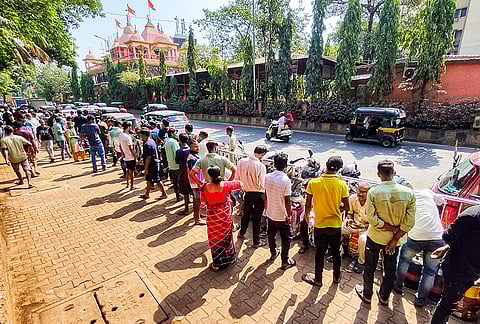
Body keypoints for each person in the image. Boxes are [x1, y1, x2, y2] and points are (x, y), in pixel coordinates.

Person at [355, 160, 416, 305]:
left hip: (376, 238)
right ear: (394, 173)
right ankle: (384, 296)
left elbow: (371, 218)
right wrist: (395, 237)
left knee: (369, 268)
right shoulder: (409, 193)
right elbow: (409, 222)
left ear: (378, 174)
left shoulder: (374, 192)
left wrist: (388, 227)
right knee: (390, 269)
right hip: (394, 242)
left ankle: (367, 295)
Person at [394, 187, 445, 308]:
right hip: (436, 237)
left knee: (404, 261)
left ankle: (397, 286)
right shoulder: (426, 192)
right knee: (430, 272)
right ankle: (420, 299)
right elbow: (443, 201)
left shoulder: (404, 198)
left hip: (416, 236)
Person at [302, 156, 349, 287]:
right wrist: (338, 208)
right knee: (336, 252)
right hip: (335, 225)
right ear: (339, 169)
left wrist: (307, 217)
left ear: (326, 165)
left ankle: (318, 279)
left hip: (320, 225)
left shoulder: (313, 183)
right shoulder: (342, 184)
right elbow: (347, 207)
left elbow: (307, 205)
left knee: (319, 253)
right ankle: (336, 277)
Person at [430, 205, 480, 324]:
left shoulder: (471, 214)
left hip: (466, 270)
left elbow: (449, 236)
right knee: (447, 304)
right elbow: (449, 236)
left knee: (449, 302)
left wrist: (447, 246)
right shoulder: (471, 215)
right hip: (459, 269)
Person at [201, 166, 242, 271]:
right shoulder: (226, 185)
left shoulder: (204, 187)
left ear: (209, 176)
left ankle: (217, 263)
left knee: (214, 238)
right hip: (225, 217)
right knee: (226, 237)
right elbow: (240, 184)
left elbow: (203, 203)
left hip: (213, 218)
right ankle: (230, 259)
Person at [265, 153, 296, 269]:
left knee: (271, 234)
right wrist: (289, 216)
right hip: (281, 215)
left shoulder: (267, 177)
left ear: (274, 163)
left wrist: (266, 209)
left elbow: (266, 195)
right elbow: (287, 201)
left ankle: (273, 253)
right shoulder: (286, 180)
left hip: (270, 212)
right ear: (285, 165)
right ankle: (284, 261)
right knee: (286, 238)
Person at [237, 145, 268, 248]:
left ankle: (241, 233)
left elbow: (237, 178)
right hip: (259, 194)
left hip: (247, 193)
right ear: (262, 154)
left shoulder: (242, 161)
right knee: (257, 219)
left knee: (245, 214)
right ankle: (256, 241)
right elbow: (262, 183)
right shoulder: (261, 166)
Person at [344, 183, 370, 274]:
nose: (360, 194)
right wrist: (349, 219)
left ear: (368, 193)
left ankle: (361, 262)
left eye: (364, 192)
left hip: (366, 228)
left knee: (363, 240)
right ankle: (340, 253)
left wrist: (363, 226)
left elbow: (373, 222)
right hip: (354, 225)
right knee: (338, 229)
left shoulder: (372, 203)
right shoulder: (352, 198)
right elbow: (349, 213)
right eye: (359, 191)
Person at [138, 129, 167, 200]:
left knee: (157, 180)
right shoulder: (151, 141)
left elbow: (148, 158)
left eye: (141, 135)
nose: (140, 136)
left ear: (144, 135)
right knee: (149, 179)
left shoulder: (147, 144)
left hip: (152, 165)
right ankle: (147, 194)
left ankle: (164, 194)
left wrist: (146, 168)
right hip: (154, 163)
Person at [187, 138, 206, 225]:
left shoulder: (195, 156)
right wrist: (199, 183)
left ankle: (197, 215)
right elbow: (192, 174)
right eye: (195, 147)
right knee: (197, 200)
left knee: (197, 199)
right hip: (196, 183)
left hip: (197, 182)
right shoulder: (192, 158)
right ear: (190, 147)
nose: (197, 148)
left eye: (198, 146)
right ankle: (197, 219)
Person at [176, 133, 192, 215]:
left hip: (183, 172)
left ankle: (186, 209)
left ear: (179, 140)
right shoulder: (190, 149)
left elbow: (177, 162)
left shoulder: (179, 151)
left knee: (185, 192)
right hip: (192, 173)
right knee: (192, 190)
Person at [165, 128, 182, 201]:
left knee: (175, 183)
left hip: (171, 165)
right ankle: (182, 196)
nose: (176, 134)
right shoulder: (173, 142)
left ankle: (178, 196)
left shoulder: (167, 142)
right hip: (177, 166)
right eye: (175, 133)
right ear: (172, 134)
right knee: (180, 183)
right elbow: (176, 154)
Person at [118, 121, 137, 190]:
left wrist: (123, 154)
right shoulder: (127, 137)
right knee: (131, 171)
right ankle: (132, 186)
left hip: (126, 156)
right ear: (128, 127)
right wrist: (135, 157)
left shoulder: (120, 135)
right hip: (130, 157)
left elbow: (120, 146)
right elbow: (131, 148)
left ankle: (127, 184)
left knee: (127, 170)